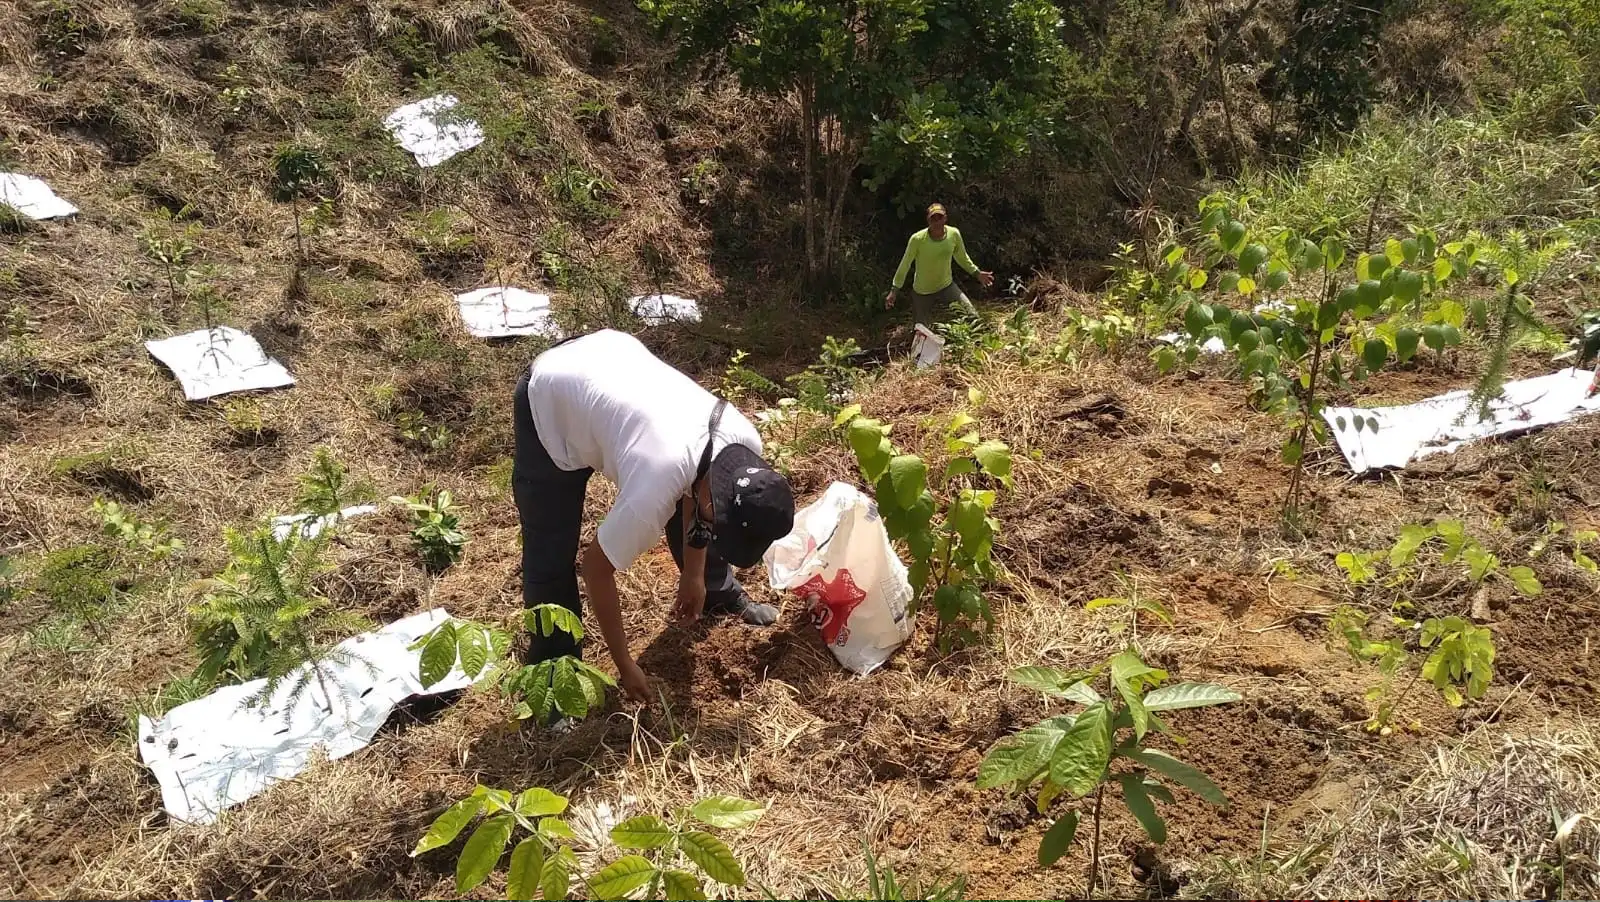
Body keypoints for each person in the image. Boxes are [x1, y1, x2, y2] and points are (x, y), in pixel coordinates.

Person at [512, 329, 796, 706]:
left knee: (690, 496)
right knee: (550, 550)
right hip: (553, 394)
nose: (715, 530)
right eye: (720, 524)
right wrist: (625, 663)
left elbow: (700, 487)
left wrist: (694, 575)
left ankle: (716, 591)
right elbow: (595, 569)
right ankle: (553, 678)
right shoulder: (654, 488)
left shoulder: (744, 445)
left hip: (610, 364)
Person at [886, 203, 995, 327]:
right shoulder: (917, 239)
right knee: (921, 331)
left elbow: (962, 258)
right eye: (933, 218)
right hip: (922, 291)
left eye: (940, 217)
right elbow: (905, 264)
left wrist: (977, 273)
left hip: (946, 286)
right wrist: (894, 290)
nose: (937, 222)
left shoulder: (953, 234)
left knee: (972, 317)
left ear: (945, 218)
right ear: (928, 221)